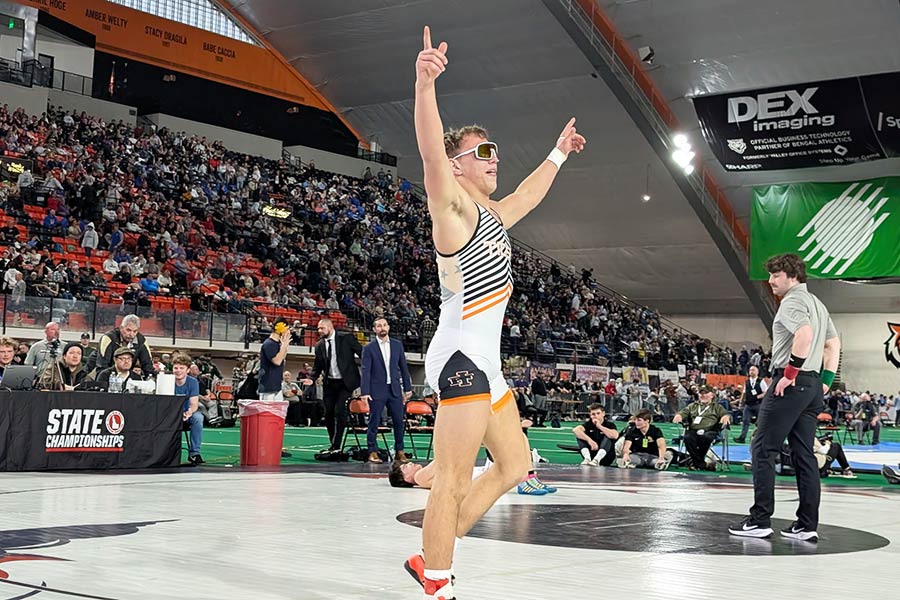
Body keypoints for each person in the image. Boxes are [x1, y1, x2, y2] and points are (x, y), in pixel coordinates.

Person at [407, 25, 586, 600]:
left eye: (496, 151)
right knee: (453, 479)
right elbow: (431, 149)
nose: (494, 159)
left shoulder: (493, 216)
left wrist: (558, 151)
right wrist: (424, 85)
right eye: (482, 152)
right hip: (460, 356)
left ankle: (435, 547)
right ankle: (438, 579)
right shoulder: (453, 210)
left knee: (514, 466)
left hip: (486, 361)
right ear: (459, 166)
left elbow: (528, 196)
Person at [729, 254, 840, 542]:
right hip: (813, 384)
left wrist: (790, 374)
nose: (770, 281)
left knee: (763, 448)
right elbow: (833, 344)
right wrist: (825, 381)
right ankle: (806, 524)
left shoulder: (792, 302)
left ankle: (760, 519)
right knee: (804, 455)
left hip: (793, 382)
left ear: (792, 276)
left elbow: (803, 334)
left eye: (775, 275)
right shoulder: (818, 304)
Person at [301, 318, 363, 453]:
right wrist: (312, 379)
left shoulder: (346, 338)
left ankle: (337, 444)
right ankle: (333, 443)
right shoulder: (319, 345)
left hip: (345, 382)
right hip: (329, 383)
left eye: (322, 328)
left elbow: (362, 353)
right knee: (328, 413)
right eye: (318, 328)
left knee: (340, 411)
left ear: (330, 327)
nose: (319, 331)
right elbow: (317, 366)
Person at [360, 317, 413, 463]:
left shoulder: (397, 345)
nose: (382, 328)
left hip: (395, 389)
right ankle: (372, 451)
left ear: (388, 327)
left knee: (398, 421)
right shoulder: (368, 348)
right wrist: (365, 391)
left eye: (384, 325)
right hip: (376, 390)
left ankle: (400, 451)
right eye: (378, 326)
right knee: (374, 421)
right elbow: (366, 371)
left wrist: (407, 388)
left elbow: (403, 367)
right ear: (374, 329)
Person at [673, 384, 731, 470]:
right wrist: (679, 415)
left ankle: (695, 463)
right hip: (693, 430)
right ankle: (702, 465)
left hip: (710, 430)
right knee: (687, 437)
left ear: (712, 395)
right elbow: (684, 412)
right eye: (701, 393)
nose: (703, 395)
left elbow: (725, 414)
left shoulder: (717, 407)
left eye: (706, 393)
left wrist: (725, 417)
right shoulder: (693, 406)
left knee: (706, 437)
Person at [90, 315, 156, 376]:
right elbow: (102, 365)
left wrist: (151, 380)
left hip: (124, 375)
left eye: (135, 331)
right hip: (96, 371)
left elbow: (148, 365)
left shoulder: (141, 340)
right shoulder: (108, 338)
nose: (131, 334)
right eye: (128, 330)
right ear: (121, 328)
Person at [172, 352, 204, 465]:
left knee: (198, 418)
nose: (178, 370)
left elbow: (194, 403)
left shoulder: (193, 382)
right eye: (176, 368)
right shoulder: (167, 381)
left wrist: (189, 412)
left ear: (188, 370)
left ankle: (194, 453)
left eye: (181, 368)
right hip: (170, 415)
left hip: (186, 414)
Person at [734, 365, 767, 443]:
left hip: (758, 404)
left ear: (757, 372)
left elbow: (766, 392)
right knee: (745, 421)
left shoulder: (761, 381)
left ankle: (759, 439)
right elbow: (744, 392)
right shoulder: (747, 381)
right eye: (750, 370)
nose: (751, 372)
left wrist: (758, 397)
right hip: (748, 405)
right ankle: (742, 438)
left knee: (760, 423)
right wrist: (740, 402)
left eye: (753, 370)